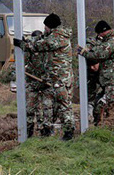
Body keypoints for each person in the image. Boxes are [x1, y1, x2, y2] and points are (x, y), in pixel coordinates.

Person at [15, 13, 75, 141]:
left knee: (63, 105)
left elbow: (40, 45)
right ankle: (59, 131)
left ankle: (69, 132)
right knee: (59, 105)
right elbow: (40, 40)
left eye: (46, 27)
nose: (44, 30)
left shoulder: (57, 38)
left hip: (60, 78)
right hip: (56, 78)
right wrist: (28, 41)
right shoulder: (56, 35)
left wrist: (23, 45)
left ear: (50, 26)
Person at [78, 20, 114, 125]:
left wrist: (84, 53)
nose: (99, 36)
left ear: (102, 32)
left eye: (99, 34)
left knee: (113, 107)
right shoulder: (111, 40)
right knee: (101, 105)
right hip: (110, 80)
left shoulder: (112, 41)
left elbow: (100, 54)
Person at [23, 30, 49, 138]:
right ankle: (28, 133)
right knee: (29, 109)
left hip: (44, 83)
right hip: (32, 82)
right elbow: (24, 62)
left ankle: (44, 131)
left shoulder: (46, 49)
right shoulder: (30, 50)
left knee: (45, 109)